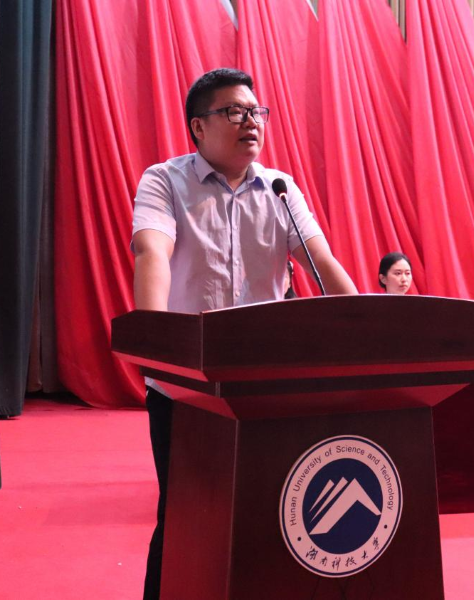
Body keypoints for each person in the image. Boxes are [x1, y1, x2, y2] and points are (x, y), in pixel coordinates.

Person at [131, 68, 357, 599]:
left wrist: (372, 331)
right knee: (184, 514)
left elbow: (322, 261)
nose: (251, 121)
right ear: (198, 126)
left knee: (275, 511)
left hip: (266, 386)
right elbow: (152, 253)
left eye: (257, 112)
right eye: (234, 111)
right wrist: (157, 339)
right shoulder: (164, 181)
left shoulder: (280, 189)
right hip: (187, 387)